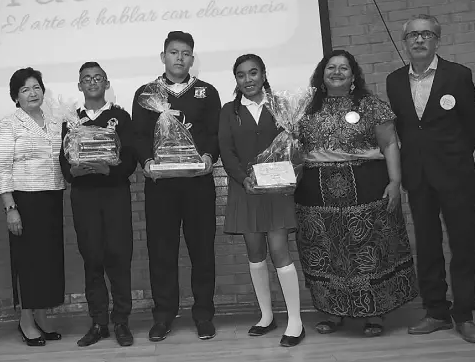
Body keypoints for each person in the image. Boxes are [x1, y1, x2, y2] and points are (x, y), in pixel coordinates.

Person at [295, 50, 418, 337]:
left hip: (367, 190)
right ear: (321, 74)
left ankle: (374, 312)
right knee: (324, 251)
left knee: (369, 249)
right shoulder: (303, 108)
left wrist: (395, 181)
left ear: (353, 76)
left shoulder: (371, 105)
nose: (337, 72)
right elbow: (294, 147)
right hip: (316, 193)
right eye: (331, 67)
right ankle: (333, 312)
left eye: (344, 68)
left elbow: (389, 144)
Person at [386, 15, 475, 343]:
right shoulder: (395, 80)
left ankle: (465, 314)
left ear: (436, 41)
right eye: (412, 35)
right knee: (427, 246)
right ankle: (436, 312)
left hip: (456, 175)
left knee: (463, 245)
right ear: (405, 42)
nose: (418, 40)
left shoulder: (458, 75)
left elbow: (471, 124)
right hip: (418, 177)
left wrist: (453, 158)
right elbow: (403, 130)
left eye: (425, 34)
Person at [131, 31, 221, 341]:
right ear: (163, 57)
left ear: (192, 59)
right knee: (161, 252)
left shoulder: (207, 93)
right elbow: (139, 136)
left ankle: (204, 314)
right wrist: (147, 162)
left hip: (198, 184)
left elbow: (213, 132)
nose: (179, 58)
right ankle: (164, 315)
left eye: (185, 53)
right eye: (173, 52)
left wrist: (209, 155)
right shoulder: (146, 93)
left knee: (202, 251)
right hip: (161, 187)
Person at [218, 54, 305, 347]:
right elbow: (226, 151)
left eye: (253, 73)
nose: (248, 80)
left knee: (280, 251)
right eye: (241, 75)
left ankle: (295, 321)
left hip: (277, 191)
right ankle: (266, 316)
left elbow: (294, 146)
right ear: (236, 80)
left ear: (264, 74)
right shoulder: (229, 111)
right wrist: (244, 179)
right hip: (246, 190)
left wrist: (291, 175)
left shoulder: (282, 106)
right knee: (255, 253)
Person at [59, 62, 137, 347]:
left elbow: (129, 158)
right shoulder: (71, 119)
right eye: (86, 79)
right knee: (92, 259)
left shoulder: (120, 117)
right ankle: (98, 323)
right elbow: (64, 160)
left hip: (114, 193)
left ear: (106, 83)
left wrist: (110, 171)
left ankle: (121, 322)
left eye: (97, 78)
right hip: (84, 197)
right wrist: (72, 173)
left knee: (118, 257)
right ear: (79, 85)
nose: (92, 82)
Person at [0, 67, 66, 347]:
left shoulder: (56, 121)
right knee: (28, 261)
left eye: (36, 87)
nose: (32, 93)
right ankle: (26, 320)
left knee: (49, 260)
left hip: (52, 196)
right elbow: (0, 167)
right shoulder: (8, 124)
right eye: (25, 89)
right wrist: (10, 207)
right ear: (16, 96)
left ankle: (42, 316)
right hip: (24, 199)